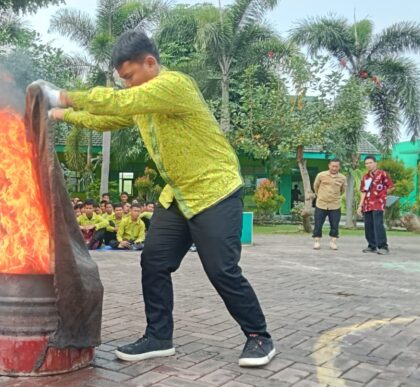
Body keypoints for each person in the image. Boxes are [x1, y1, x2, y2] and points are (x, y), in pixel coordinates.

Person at [42, 30, 274, 367]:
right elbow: (108, 118)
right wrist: (58, 115)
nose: (127, 86)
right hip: (178, 195)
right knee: (153, 261)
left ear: (150, 62)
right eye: (123, 80)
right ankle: (158, 336)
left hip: (215, 190)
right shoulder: (142, 100)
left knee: (222, 269)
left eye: (130, 77)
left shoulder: (175, 85)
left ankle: (259, 337)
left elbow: (120, 102)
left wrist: (62, 96)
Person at [359, 156, 394, 255]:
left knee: (378, 224)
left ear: (375, 163)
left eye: (370, 163)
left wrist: (382, 195)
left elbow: (391, 187)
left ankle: (383, 246)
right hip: (367, 204)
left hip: (378, 203)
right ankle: (372, 245)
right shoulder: (365, 177)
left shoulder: (382, 174)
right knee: (368, 225)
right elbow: (363, 191)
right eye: (366, 163)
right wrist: (360, 205)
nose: (368, 165)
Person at [312, 159, 347, 250]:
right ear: (329, 166)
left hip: (335, 205)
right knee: (318, 224)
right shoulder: (321, 175)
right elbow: (316, 186)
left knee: (335, 225)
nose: (334, 168)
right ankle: (317, 241)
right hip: (321, 204)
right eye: (333, 166)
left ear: (339, 167)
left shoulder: (342, 178)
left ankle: (333, 242)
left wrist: (335, 196)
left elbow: (343, 190)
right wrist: (320, 195)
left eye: (336, 166)